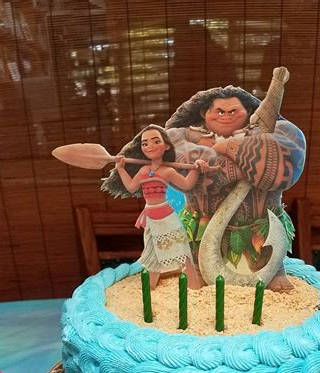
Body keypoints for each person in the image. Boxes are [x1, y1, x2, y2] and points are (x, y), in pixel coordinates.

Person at [163, 85, 306, 290]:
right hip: (203, 223)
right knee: (197, 254)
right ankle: (198, 271)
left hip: (259, 224)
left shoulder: (282, 129)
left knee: (263, 249)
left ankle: (274, 271)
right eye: (219, 111)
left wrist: (230, 147)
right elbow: (177, 163)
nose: (226, 116)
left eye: (233, 111)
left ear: (248, 111)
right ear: (204, 112)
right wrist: (246, 165)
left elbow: (288, 159)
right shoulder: (177, 135)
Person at [107, 125, 205, 290]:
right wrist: (121, 169)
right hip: (151, 218)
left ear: (166, 146)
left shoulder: (168, 171)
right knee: (153, 253)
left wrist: (196, 168)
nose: (150, 146)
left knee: (182, 252)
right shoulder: (143, 170)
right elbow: (131, 187)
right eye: (145, 143)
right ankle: (150, 287)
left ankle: (194, 287)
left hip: (167, 217)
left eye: (156, 141)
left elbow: (187, 184)